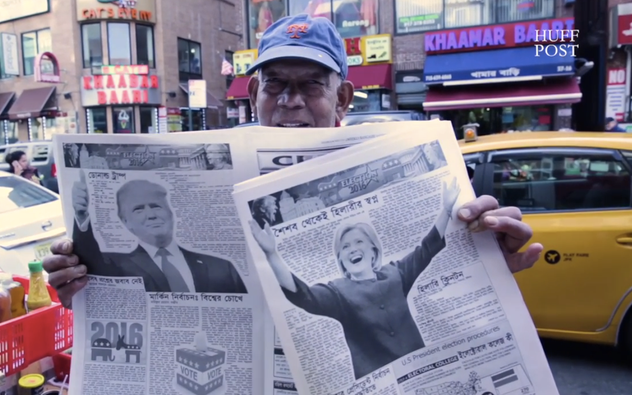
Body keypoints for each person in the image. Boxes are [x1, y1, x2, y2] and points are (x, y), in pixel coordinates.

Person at [43, 14, 543, 309]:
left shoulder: (396, 162)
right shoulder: (203, 164)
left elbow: (421, 275)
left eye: (311, 85)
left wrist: (487, 261)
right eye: (277, 84)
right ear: (255, 91)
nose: (291, 101)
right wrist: (81, 288)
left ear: (343, 98)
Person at [249, 178, 459, 379]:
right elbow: (302, 294)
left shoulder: (396, 273)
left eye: (359, 242)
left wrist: (447, 209)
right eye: (345, 247)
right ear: (340, 258)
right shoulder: (338, 292)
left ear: (372, 249)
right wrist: (271, 254)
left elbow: (427, 248)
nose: (353, 249)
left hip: (422, 371)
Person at [70, 175, 247, 294]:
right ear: (125, 222)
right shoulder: (116, 266)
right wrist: (81, 216)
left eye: (156, 206)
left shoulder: (222, 267)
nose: (151, 215)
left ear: (170, 212)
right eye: (138, 210)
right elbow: (89, 257)